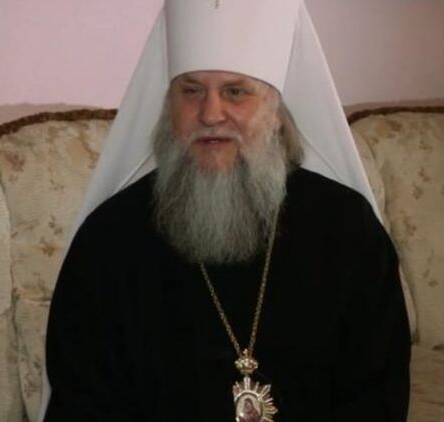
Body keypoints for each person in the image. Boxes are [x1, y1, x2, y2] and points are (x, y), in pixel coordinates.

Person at [41, 1, 411, 421]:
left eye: (235, 91)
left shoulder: (346, 229)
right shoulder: (109, 239)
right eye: (191, 91)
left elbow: (377, 393)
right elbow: (82, 402)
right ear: (169, 110)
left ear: (276, 114)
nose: (211, 114)